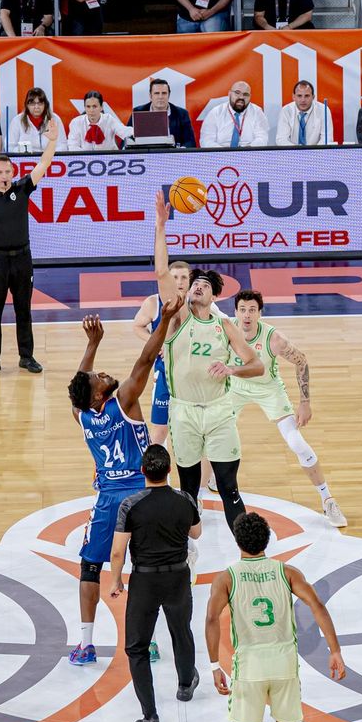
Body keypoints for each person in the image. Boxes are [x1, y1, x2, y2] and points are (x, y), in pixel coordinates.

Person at [205, 511, 346, 722]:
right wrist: (335, 650)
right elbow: (318, 606)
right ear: (267, 540)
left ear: (238, 541)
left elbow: (212, 619)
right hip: (284, 664)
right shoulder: (287, 572)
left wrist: (214, 665)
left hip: (250, 667)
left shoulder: (227, 577)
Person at [65, 299, 183, 666]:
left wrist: (92, 344)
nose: (103, 373)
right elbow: (146, 360)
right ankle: (145, 642)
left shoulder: (83, 415)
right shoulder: (125, 399)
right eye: (100, 376)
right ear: (101, 394)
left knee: (89, 568)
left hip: (106, 499)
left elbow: (79, 387)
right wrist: (163, 321)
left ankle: (85, 645)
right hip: (141, 495)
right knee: (144, 569)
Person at [152, 191, 264, 532]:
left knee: (229, 488)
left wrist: (232, 368)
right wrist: (160, 225)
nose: (196, 287)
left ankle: (250, 554)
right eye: (194, 284)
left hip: (218, 410)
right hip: (183, 410)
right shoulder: (177, 316)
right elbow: (160, 272)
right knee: (187, 491)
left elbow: (256, 364)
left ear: (214, 296)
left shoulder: (224, 325)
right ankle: (187, 552)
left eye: (203, 285)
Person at [226, 291, 346, 526]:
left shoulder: (274, 338)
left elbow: (301, 360)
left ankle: (327, 499)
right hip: (235, 386)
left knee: (296, 443)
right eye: (243, 309)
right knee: (214, 437)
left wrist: (304, 402)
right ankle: (202, 494)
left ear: (260, 313)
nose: (247, 315)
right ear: (235, 312)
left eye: (252, 310)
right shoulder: (226, 329)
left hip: (269, 389)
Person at [108, 444, 203, 722]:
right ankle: (186, 684)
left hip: (145, 581)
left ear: (142, 472)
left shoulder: (130, 505)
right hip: (177, 577)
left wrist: (115, 581)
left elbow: (117, 552)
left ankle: (150, 717)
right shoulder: (184, 499)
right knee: (181, 630)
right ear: (169, 470)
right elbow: (196, 533)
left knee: (137, 647)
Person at [0, 139, 58, 377]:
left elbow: (45, 163)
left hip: (22, 259)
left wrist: (52, 141)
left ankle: (26, 357)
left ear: (13, 172)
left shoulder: (22, 189)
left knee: (23, 310)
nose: (4, 175)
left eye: (7, 171)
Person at [131, 257, 191, 445]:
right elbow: (138, 326)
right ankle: (157, 474)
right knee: (160, 430)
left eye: (183, 278)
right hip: (165, 374)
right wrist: (156, 342)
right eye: (175, 278)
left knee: (191, 430)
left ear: (190, 280)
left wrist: (173, 344)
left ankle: (205, 474)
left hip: (191, 374)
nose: (179, 282)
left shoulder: (199, 304)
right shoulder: (153, 303)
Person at [128, 79, 197, 149]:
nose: (160, 97)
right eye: (156, 93)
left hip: (172, 156)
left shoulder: (182, 114)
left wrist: (179, 151)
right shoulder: (138, 112)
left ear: (169, 95)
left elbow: (190, 142)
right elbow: (127, 139)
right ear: (150, 96)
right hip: (145, 156)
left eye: (164, 93)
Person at [200, 81, 270, 149]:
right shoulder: (215, 113)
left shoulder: (257, 112)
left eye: (246, 94)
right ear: (229, 94)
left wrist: (247, 150)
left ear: (250, 97)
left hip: (248, 155)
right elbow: (206, 141)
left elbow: (262, 138)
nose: (241, 97)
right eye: (237, 93)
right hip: (220, 156)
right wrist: (226, 153)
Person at [66, 90, 133, 152]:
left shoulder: (109, 119)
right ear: (84, 107)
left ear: (101, 107)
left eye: (94, 106)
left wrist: (137, 132)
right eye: (88, 106)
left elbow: (124, 131)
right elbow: (73, 146)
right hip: (85, 160)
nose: (91, 110)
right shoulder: (76, 122)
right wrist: (89, 158)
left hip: (109, 158)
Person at [5, 86, 66, 153]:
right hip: (25, 159)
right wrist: (24, 151)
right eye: (32, 103)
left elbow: (62, 145)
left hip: (50, 159)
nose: (36, 107)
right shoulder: (17, 121)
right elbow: (9, 146)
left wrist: (49, 154)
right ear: (27, 105)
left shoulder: (55, 119)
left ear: (45, 105)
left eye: (40, 103)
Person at [274, 80, 334, 147]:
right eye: (299, 96)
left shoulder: (323, 110)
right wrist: (298, 152)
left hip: (316, 154)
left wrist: (313, 153)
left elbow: (327, 139)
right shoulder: (286, 111)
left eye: (307, 96)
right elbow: (281, 139)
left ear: (313, 97)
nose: (303, 100)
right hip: (292, 154)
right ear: (294, 97)